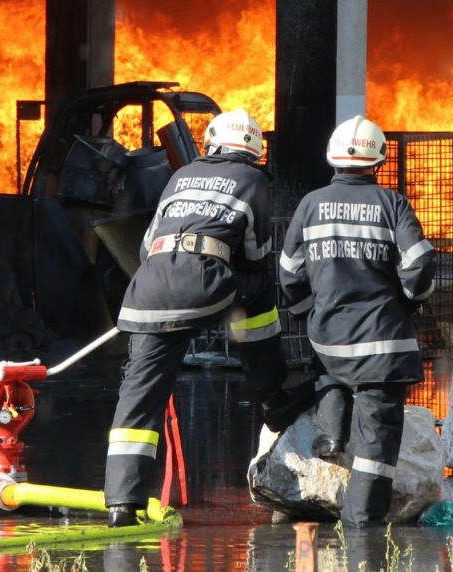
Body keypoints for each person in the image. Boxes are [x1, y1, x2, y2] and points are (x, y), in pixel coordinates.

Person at [105, 109, 309, 527]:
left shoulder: (180, 177)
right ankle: (275, 400)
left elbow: (146, 246)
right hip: (204, 282)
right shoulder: (253, 180)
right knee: (258, 292)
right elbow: (254, 253)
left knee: (139, 395)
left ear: (212, 141)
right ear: (253, 151)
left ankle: (122, 504)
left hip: (147, 289)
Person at [279, 115, 437, 527]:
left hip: (328, 338)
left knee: (330, 369)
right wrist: (410, 300)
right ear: (378, 160)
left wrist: (309, 310)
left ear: (332, 157)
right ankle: (361, 524)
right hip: (382, 346)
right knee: (376, 438)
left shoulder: (310, 204)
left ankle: (330, 434)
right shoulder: (392, 204)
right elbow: (419, 263)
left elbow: (288, 272)